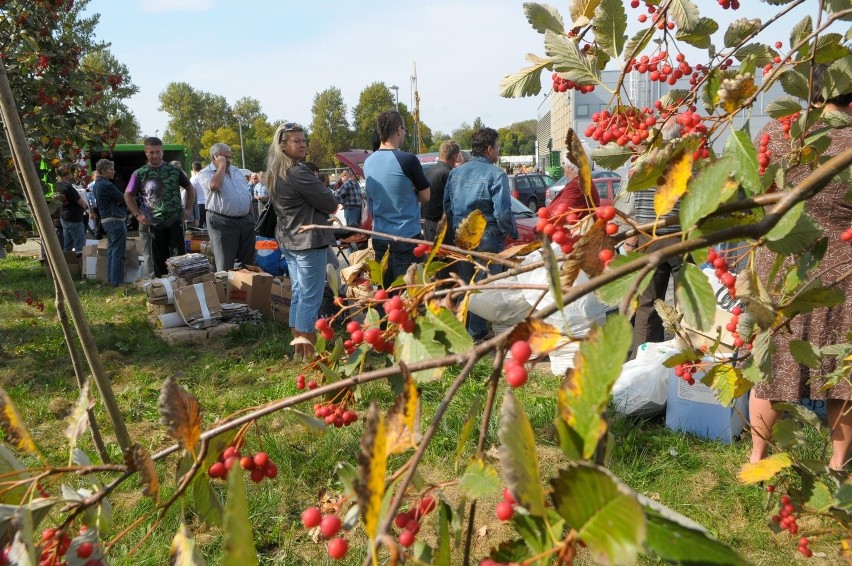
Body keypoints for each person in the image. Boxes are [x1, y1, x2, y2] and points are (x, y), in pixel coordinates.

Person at [749, 72, 852, 472]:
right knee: (843, 372)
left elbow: (757, 188)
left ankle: (756, 458)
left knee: (770, 365)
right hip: (839, 267)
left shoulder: (780, 130)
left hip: (780, 261)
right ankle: (839, 464)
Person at [267, 122, 339, 360]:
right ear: (283, 145)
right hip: (307, 241)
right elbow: (329, 202)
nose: (302, 144)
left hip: (289, 239)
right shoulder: (298, 172)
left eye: (303, 139)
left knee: (299, 293)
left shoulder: (275, 172)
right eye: (296, 141)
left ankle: (299, 349)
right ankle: (308, 351)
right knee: (310, 296)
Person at [444, 127, 517, 341]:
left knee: (467, 284)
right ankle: (476, 333)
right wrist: (511, 231)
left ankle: (466, 330)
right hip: (488, 237)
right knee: (484, 286)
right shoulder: (496, 174)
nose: (499, 151)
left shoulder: (456, 173)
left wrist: (456, 228)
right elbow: (503, 212)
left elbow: (447, 207)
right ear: (489, 149)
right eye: (498, 147)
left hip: (462, 236)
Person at [363, 110, 430, 288]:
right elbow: (426, 195)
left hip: (379, 236)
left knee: (385, 292)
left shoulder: (368, 162)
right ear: (399, 130)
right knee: (407, 295)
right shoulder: (407, 160)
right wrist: (411, 189)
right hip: (405, 237)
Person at [123, 137, 194, 277]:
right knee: (158, 260)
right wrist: (138, 215)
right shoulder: (140, 173)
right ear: (146, 153)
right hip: (153, 223)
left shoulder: (174, 170)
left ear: (162, 152)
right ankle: (163, 288)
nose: (155, 155)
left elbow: (190, 188)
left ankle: (180, 287)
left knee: (179, 258)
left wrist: (188, 209)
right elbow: (128, 195)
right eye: (151, 152)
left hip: (175, 221)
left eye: (158, 152)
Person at [196, 143, 256, 272]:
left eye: (229, 157)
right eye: (225, 157)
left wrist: (251, 218)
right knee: (225, 263)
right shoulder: (205, 173)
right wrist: (221, 166)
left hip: (245, 220)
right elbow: (214, 186)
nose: (228, 160)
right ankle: (225, 290)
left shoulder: (236, 171)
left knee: (247, 262)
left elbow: (245, 193)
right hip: (222, 221)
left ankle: (245, 290)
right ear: (215, 157)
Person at [92, 159, 127, 285]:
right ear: (103, 170)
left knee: (112, 251)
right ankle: (117, 282)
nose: (114, 171)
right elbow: (123, 198)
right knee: (118, 252)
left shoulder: (97, 184)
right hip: (115, 220)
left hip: (107, 221)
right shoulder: (107, 185)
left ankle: (112, 279)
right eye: (111, 169)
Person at [422, 140, 460, 242]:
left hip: (427, 225)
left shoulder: (428, 172)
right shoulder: (449, 174)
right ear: (454, 156)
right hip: (442, 228)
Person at [57, 164, 89, 252]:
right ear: (66, 173)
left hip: (65, 217)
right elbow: (82, 204)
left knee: (68, 244)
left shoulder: (57, 186)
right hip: (74, 218)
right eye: (69, 171)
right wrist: (87, 207)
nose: (71, 173)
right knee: (80, 245)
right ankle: (80, 263)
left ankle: (68, 263)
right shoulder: (68, 187)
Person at [190, 161, 205, 229]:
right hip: (208, 204)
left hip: (199, 204)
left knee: (199, 227)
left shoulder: (193, 179)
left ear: (193, 169)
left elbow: (191, 192)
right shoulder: (206, 177)